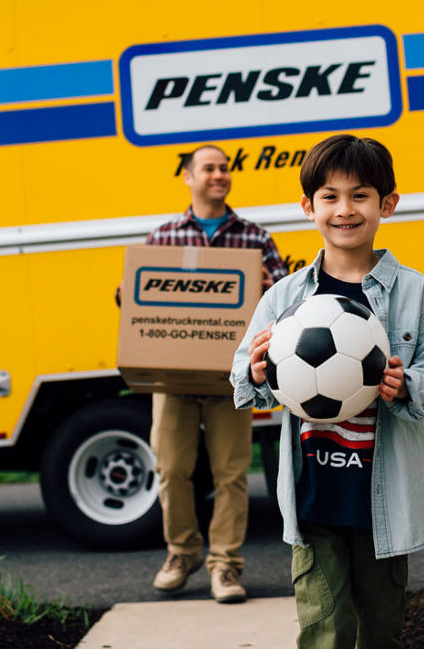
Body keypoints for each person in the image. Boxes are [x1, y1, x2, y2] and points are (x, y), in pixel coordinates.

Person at [230, 134, 424, 647]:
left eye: (360, 195)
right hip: (315, 496)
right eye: (330, 196)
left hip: (383, 496)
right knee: (325, 629)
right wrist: (260, 374)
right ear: (309, 206)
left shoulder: (417, 294)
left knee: (381, 629)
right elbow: (244, 372)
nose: (345, 209)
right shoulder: (285, 297)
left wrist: (407, 386)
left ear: (387, 204)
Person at [144, 143, 288, 604]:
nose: (219, 175)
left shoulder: (255, 237)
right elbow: (138, 299)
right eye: (209, 169)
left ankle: (225, 565)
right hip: (174, 377)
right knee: (170, 469)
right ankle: (181, 554)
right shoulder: (163, 236)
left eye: (224, 169)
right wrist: (128, 291)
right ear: (188, 177)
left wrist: (270, 288)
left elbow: (283, 300)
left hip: (233, 377)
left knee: (231, 474)